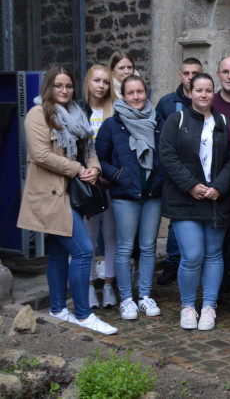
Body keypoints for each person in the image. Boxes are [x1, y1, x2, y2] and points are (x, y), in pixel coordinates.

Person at [17, 66, 118, 335]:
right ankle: (84, 315)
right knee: (84, 251)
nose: (64, 91)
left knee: (60, 253)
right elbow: (40, 155)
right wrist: (77, 169)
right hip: (51, 196)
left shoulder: (77, 113)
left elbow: (91, 149)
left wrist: (94, 169)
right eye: (59, 86)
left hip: (74, 194)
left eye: (69, 86)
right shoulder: (37, 114)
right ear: (49, 87)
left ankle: (59, 310)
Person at [159, 73, 230, 331]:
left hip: (216, 200)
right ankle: (188, 305)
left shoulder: (225, 122)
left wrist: (219, 187)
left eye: (208, 90)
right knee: (192, 256)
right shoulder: (175, 120)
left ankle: (209, 306)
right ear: (190, 92)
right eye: (199, 90)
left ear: (214, 93)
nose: (204, 95)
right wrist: (191, 185)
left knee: (214, 255)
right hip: (184, 199)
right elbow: (168, 156)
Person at [95, 75, 165, 321]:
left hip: (152, 194)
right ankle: (126, 299)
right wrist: (117, 175)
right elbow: (99, 158)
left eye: (140, 92)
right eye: (131, 93)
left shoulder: (157, 122)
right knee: (124, 247)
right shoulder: (112, 125)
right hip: (125, 194)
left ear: (146, 92)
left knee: (148, 247)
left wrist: (161, 177)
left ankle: (144, 296)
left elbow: (166, 155)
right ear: (123, 96)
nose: (136, 97)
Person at [156, 57, 203, 286]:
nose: (191, 77)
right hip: (174, 173)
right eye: (187, 73)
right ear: (180, 75)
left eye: (195, 73)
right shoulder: (167, 103)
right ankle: (172, 263)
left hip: (201, 173)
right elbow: (161, 140)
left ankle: (194, 262)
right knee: (176, 221)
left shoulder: (206, 103)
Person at [82, 64, 118, 310]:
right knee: (88, 238)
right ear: (88, 82)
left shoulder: (114, 110)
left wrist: (109, 176)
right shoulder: (77, 111)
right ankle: (87, 287)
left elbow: (119, 148)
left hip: (108, 183)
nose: (101, 86)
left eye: (105, 81)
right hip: (84, 183)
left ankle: (108, 285)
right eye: (97, 81)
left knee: (111, 236)